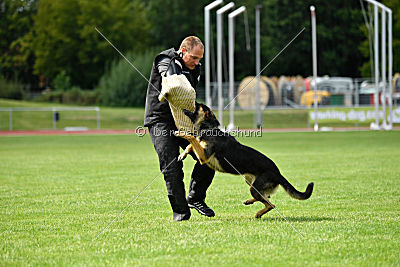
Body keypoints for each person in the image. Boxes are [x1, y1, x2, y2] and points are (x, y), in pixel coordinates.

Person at [144, 36, 215, 221]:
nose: (197, 62)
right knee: (171, 167)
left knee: (209, 156)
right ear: (183, 51)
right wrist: (172, 76)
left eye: (200, 59)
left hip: (182, 121)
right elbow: (170, 76)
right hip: (160, 121)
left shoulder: (195, 69)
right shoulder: (165, 59)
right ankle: (181, 214)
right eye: (194, 57)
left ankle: (195, 197)